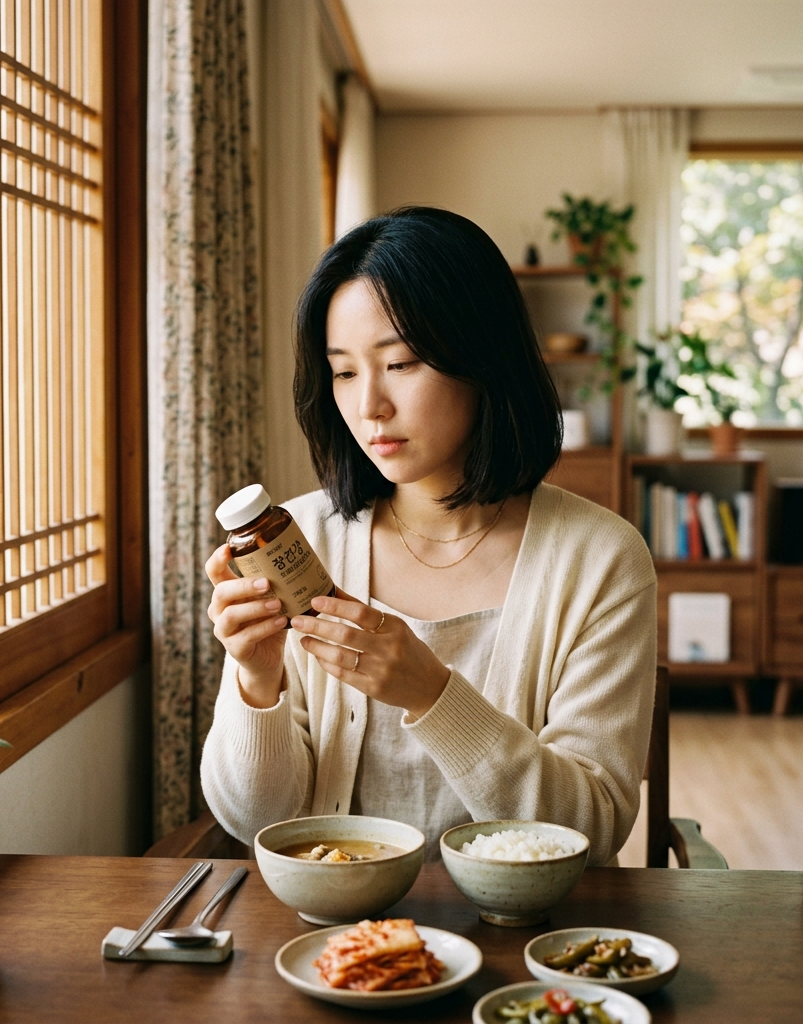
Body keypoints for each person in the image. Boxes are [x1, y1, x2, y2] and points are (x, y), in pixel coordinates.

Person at [201, 207, 656, 865]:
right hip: (335, 943)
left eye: (403, 363)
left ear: (483, 358)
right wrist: (256, 680)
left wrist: (433, 695)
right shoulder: (300, 547)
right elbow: (255, 822)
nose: (369, 407)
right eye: (345, 371)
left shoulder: (600, 559)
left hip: (525, 938)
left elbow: (593, 830)